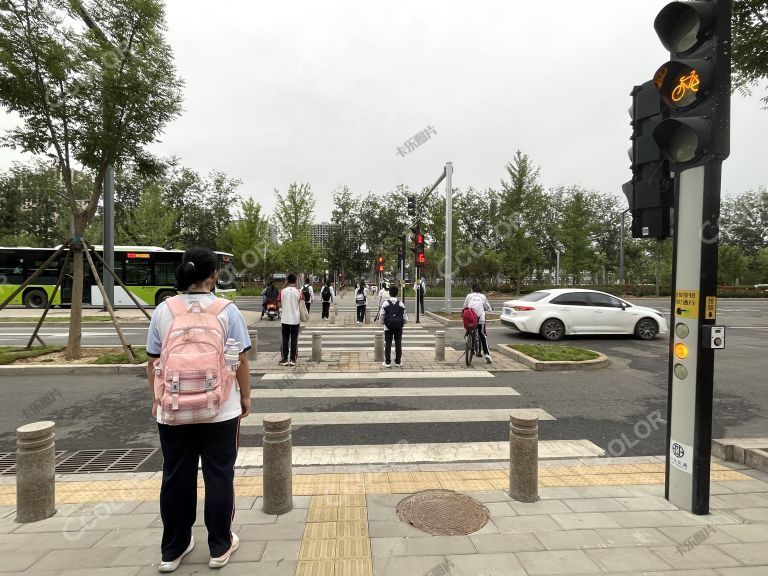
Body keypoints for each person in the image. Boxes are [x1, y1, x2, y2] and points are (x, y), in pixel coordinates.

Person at [146, 247, 251, 572]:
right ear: (214, 275)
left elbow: (153, 361)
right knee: (219, 475)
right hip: (219, 409)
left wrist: (156, 398)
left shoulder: (164, 310)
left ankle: (173, 550)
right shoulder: (227, 310)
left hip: (174, 410)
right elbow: (240, 359)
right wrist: (245, 397)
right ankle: (219, 546)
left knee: (176, 475)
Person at [463, 284, 493, 363]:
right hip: (480, 319)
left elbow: (465, 306)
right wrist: (490, 309)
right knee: (483, 335)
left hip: (471, 318)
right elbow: (487, 307)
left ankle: (467, 336)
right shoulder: (483, 297)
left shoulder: (469, 296)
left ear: (472, 289)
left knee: (469, 325)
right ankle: (487, 354)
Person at [379, 285, 408, 368]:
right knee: (398, 344)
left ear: (389, 293)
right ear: (397, 293)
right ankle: (398, 362)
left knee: (388, 344)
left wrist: (384, 324)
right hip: (398, 328)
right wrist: (401, 323)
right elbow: (405, 318)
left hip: (388, 327)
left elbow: (382, 316)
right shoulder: (401, 304)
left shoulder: (385, 303)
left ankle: (387, 362)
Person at [278, 273, 301, 366]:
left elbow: (279, 305)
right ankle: (293, 359)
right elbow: (301, 303)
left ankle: (284, 359)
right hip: (295, 319)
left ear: (287, 281)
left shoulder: (282, 291)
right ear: (295, 281)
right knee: (294, 339)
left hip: (285, 319)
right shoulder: (299, 291)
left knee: (285, 339)